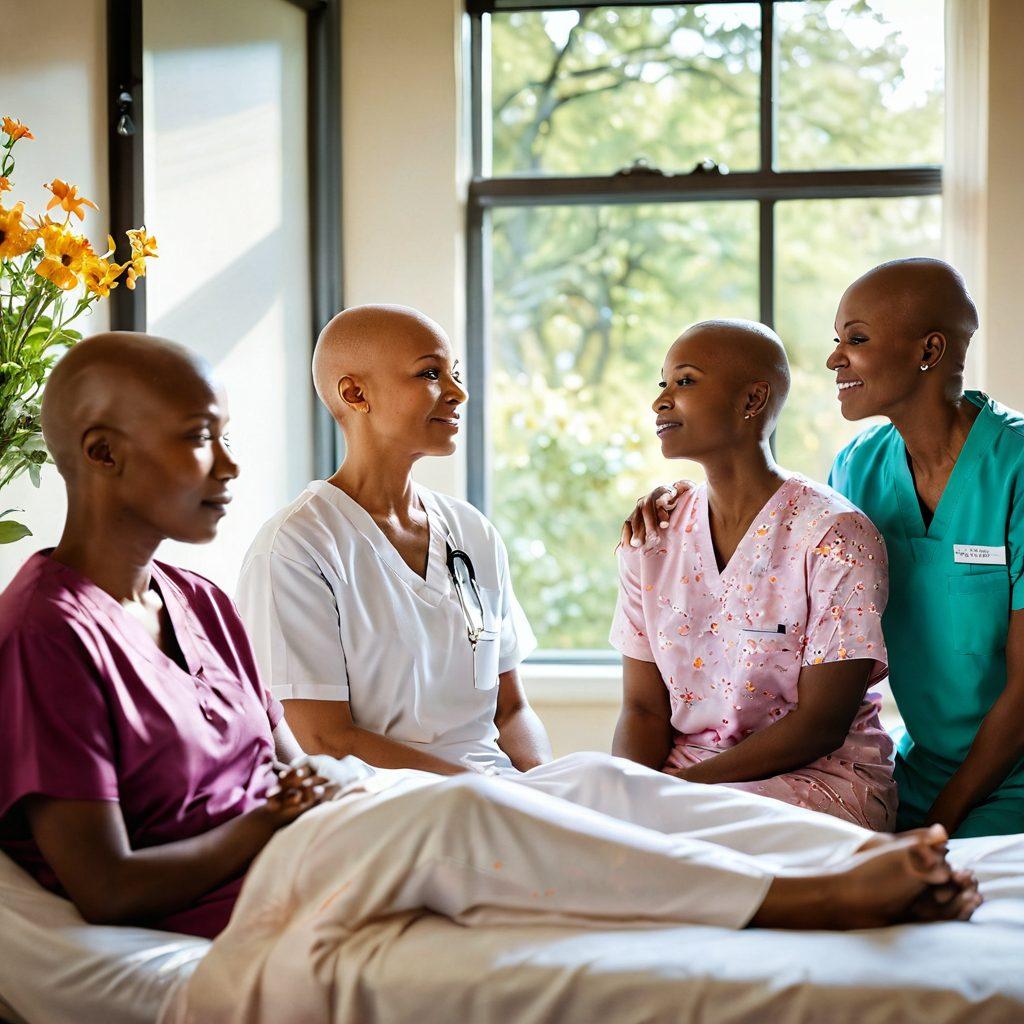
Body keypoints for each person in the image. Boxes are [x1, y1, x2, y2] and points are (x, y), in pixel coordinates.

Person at [0, 331, 982, 941]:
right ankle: (803, 904)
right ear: (101, 452)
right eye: (199, 434)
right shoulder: (51, 632)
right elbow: (108, 883)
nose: (229, 461)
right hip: (264, 870)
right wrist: (283, 818)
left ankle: (845, 863)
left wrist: (521, 785)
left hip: (321, 823)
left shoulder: (198, 599)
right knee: (474, 814)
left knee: (597, 784)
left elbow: (304, 758)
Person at [236, 305, 552, 774]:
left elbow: (511, 711)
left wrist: (547, 789)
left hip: (501, 793)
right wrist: (491, 794)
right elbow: (323, 739)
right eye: (431, 373)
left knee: (620, 790)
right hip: (390, 806)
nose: (459, 392)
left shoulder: (471, 532)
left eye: (455, 373)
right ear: (355, 393)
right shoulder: (296, 547)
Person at [609, 320, 897, 831]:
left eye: (686, 381)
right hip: (681, 785)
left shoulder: (834, 536)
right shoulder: (653, 538)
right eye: (662, 385)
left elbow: (819, 727)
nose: (661, 402)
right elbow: (642, 710)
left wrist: (668, 799)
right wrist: (626, 799)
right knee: (569, 813)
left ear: (753, 399)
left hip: (817, 783)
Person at [825, 259, 1024, 837]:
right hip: (920, 769)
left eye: (855, 339)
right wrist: (683, 505)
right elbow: (784, 562)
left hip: (1013, 772)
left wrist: (939, 823)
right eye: (837, 340)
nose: (835, 359)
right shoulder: (856, 467)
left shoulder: (1015, 468)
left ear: (930, 350)